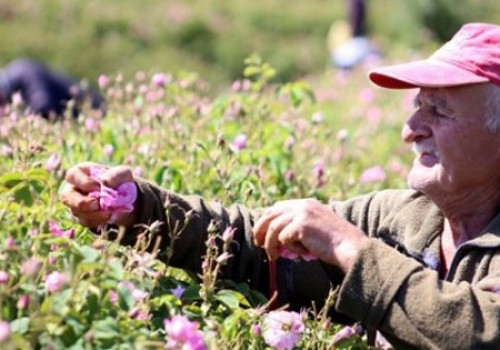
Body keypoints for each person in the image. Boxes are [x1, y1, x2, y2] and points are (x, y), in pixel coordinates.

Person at [60, 22, 500, 349]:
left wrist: (348, 247)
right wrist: (139, 208)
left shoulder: (368, 236)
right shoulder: (402, 217)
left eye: (439, 111)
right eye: (417, 106)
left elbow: (475, 333)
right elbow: (252, 244)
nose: (411, 129)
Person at [0, 58, 104, 119]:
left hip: (95, 111)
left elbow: (43, 104)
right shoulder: (16, 76)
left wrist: (16, 119)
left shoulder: (23, 71)